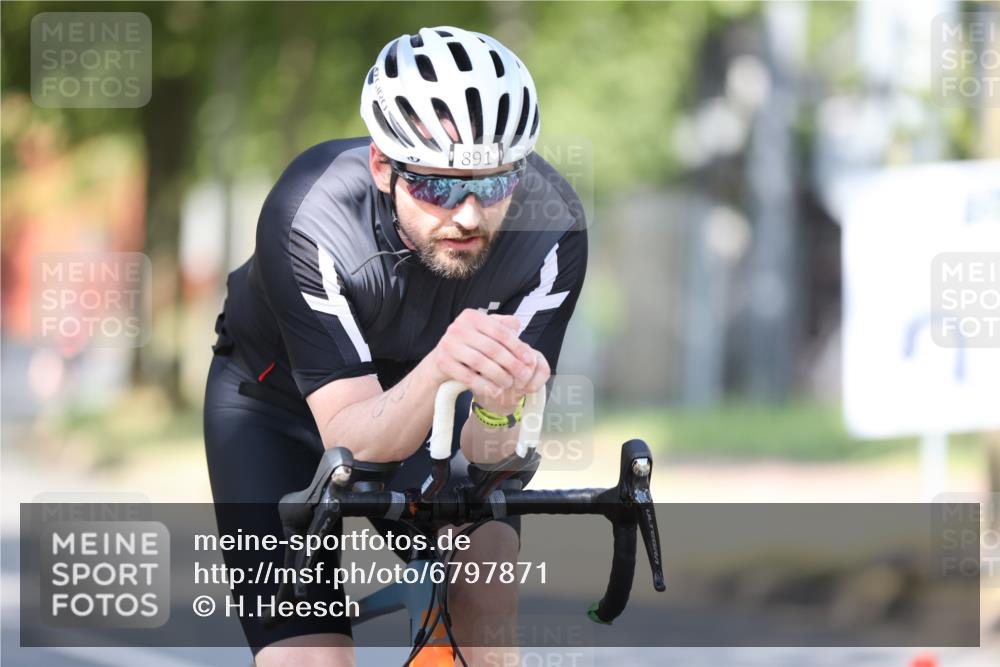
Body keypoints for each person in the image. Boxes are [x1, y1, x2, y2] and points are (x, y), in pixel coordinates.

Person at [203, 25, 587, 666]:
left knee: (485, 585)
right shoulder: (312, 212)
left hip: (436, 402)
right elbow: (352, 439)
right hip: (274, 407)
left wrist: (496, 406)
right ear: (383, 165)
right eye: (437, 186)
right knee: (311, 657)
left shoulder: (552, 231)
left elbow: (492, 458)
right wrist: (442, 365)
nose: (467, 214)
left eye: (492, 185)